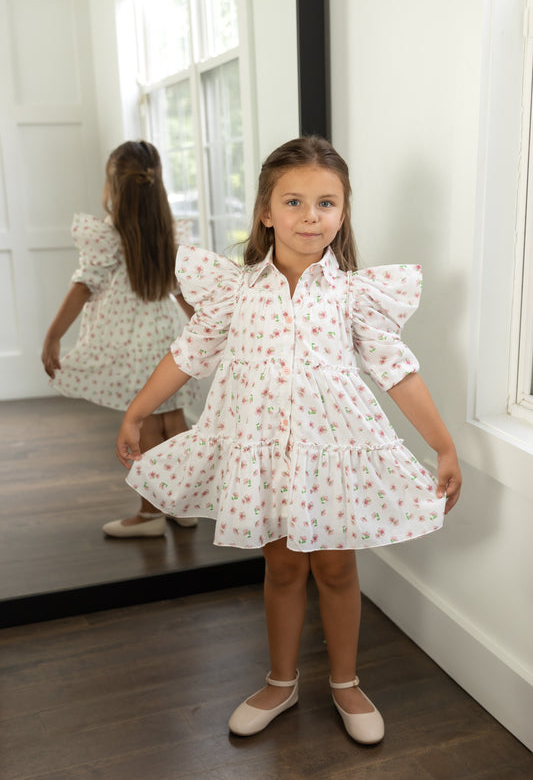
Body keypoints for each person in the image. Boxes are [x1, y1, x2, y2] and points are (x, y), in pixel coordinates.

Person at [115, 136, 462, 743]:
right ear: (265, 212)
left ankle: (347, 683)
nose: (311, 216)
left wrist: (443, 445)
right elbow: (186, 355)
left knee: (334, 569)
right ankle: (281, 680)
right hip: (266, 455)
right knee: (280, 570)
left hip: (331, 457)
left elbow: (397, 372)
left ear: (343, 212)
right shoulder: (236, 290)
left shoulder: (353, 296)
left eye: (326, 203)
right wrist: (139, 412)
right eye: (295, 202)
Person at [42, 140, 200, 537]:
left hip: (133, 345)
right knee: (173, 421)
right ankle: (180, 506)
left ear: (114, 187)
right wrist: (207, 336)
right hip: (168, 338)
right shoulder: (167, 234)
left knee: (143, 424)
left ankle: (150, 515)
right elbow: (184, 294)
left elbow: (83, 287)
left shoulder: (108, 236)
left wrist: (53, 336)